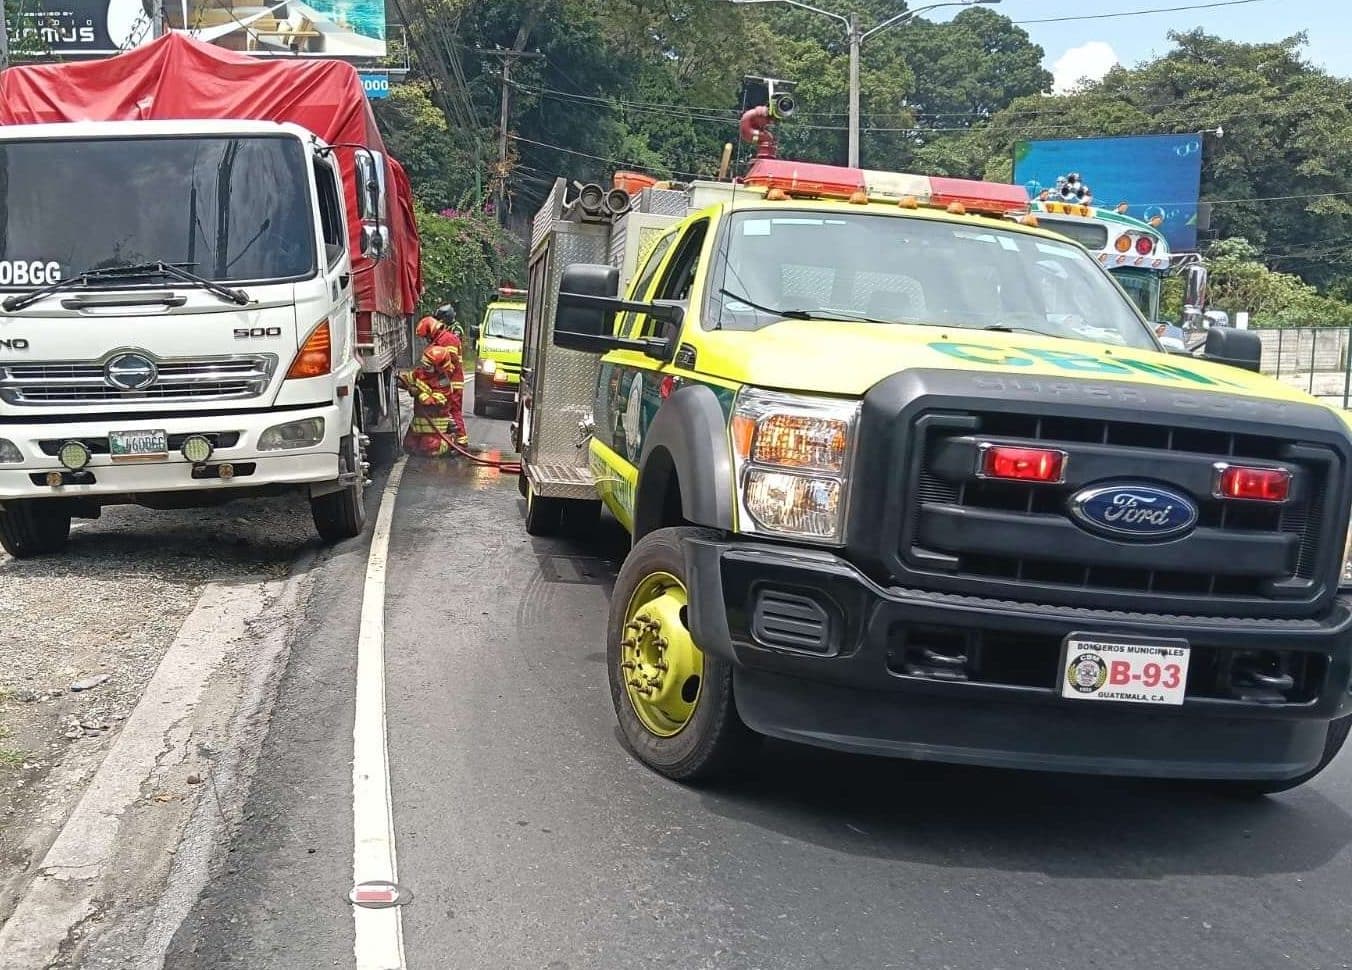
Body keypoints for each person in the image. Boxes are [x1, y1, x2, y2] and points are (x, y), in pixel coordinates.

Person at [413, 305, 468, 447]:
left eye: (426, 336)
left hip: (452, 382)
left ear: (431, 330)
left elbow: (446, 366)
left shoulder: (447, 340)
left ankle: (461, 441)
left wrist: (432, 384)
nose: (426, 339)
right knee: (446, 411)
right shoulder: (441, 339)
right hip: (447, 381)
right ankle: (452, 439)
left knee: (453, 410)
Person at [398, 345, 456, 456]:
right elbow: (407, 379)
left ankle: (448, 442)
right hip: (418, 426)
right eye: (424, 364)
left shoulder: (443, 383)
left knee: (429, 448)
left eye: (428, 366)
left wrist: (419, 393)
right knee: (409, 446)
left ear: (438, 368)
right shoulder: (420, 373)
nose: (425, 367)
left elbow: (435, 401)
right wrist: (400, 381)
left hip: (434, 430)